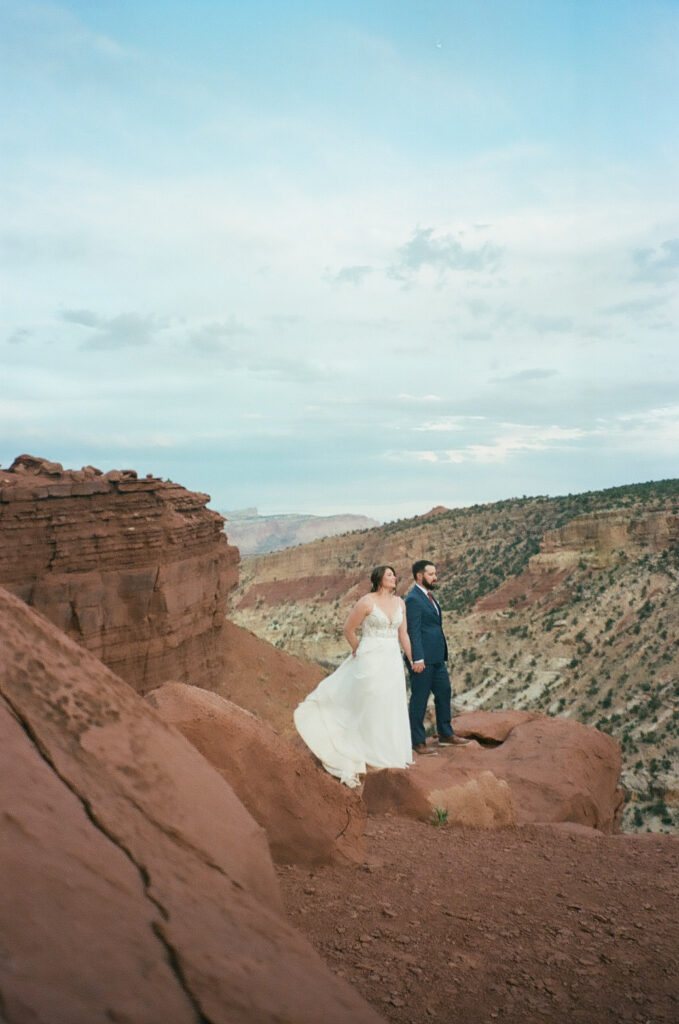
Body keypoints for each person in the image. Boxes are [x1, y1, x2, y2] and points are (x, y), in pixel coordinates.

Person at [294, 565, 414, 787]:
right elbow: (348, 629)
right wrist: (359, 649)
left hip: (391, 660)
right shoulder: (367, 602)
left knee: (389, 703)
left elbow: (403, 634)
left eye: (394, 575)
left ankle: (384, 753)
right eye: (389, 574)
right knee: (369, 701)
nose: (394, 577)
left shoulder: (400, 603)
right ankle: (361, 748)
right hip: (370, 657)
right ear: (379, 579)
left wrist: (412, 658)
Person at [405, 560, 470, 753]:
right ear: (420, 576)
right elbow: (413, 631)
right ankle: (417, 742)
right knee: (420, 699)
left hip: (437, 658)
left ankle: (445, 734)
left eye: (435, 574)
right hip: (422, 660)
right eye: (431, 574)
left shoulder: (430, 596)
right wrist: (417, 659)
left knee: (444, 693)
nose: (435, 577)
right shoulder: (413, 599)